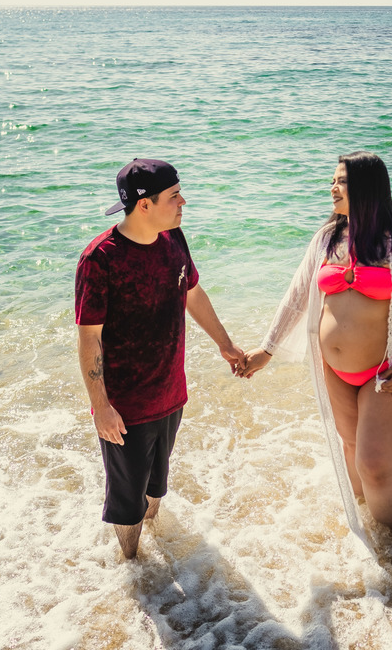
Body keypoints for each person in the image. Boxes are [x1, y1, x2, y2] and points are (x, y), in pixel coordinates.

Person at [240, 151, 392, 591]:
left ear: (367, 187)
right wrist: (266, 350)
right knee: (350, 449)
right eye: (332, 180)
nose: (332, 188)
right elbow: (295, 297)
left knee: (376, 463)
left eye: (340, 181)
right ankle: (368, 535)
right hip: (332, 369)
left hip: (381, 373)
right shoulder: (327, 239)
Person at [75, 158, 246, 560]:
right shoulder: (100, 259)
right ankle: (132, 566)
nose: (183, 202)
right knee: (127, 501)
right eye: (174, 196)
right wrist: (101, 406)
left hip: (171, 393)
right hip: (127, 407)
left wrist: (225, 343)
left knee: (156, 486)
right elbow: (89, 339)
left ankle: (154, 555)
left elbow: (192, 292)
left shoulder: (174, 239)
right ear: (144, 205)